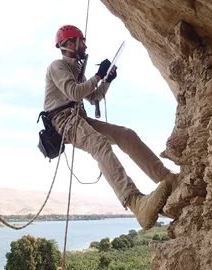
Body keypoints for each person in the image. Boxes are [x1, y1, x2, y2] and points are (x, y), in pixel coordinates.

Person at [43, 25, 178, 230]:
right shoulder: (57, 66)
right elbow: (74, 93)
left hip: (79, 118)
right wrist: (97, 75)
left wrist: (106, 80)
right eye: (82, 41)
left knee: (126, 135)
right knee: (100, 145)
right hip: (64, 120)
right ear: (70, 43)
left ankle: (167, 178)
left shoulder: (76, 70)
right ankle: (135, 203)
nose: (85, 45)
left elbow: (94, 97)